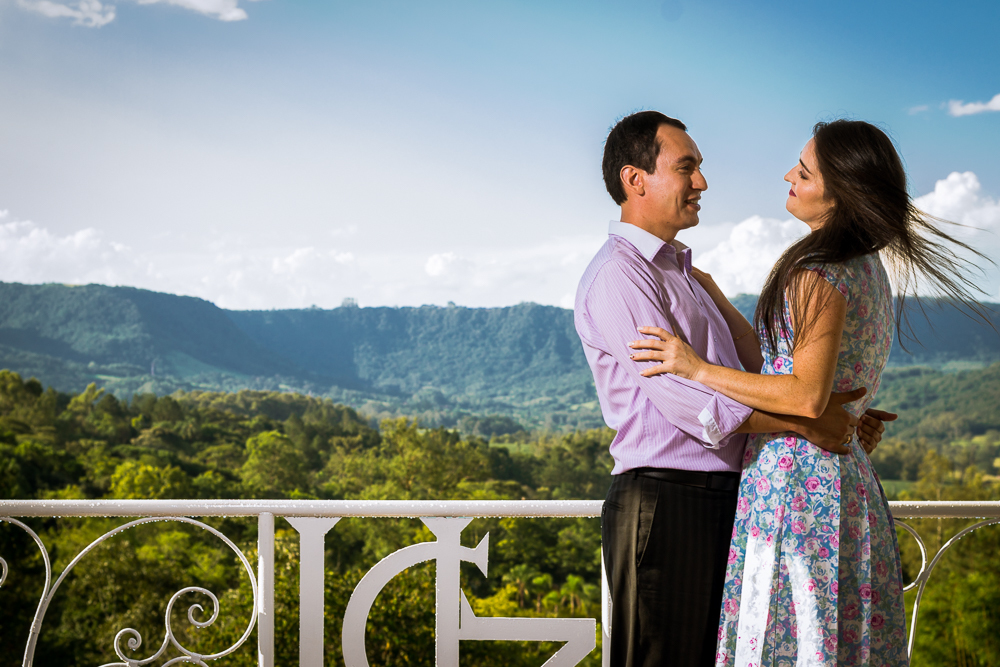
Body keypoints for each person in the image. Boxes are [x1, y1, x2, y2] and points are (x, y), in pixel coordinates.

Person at [627, 119, 991, 666]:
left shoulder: (817, 271)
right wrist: (719, 298)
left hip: (795, 488)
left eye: (804, 170)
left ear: (841, 189)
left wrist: (695, 367)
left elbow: (804, 396)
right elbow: (777, 362)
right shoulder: (868, 269)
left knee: (788, 639)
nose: (787, 176)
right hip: (844, 483)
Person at [574, 111, 893, 667]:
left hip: (731, 496)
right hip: (668, 499)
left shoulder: (686, 275)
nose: (702, 182)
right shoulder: (621, 275)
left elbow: (768, 375)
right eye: (687, 167)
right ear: (635, 180)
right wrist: (807, 420)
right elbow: (684, 400)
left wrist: (833, 405)